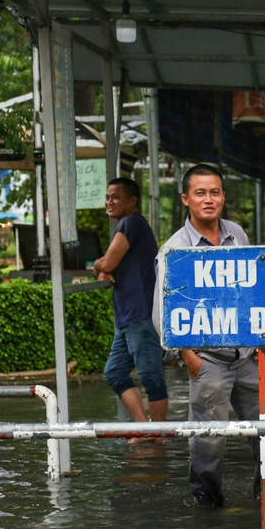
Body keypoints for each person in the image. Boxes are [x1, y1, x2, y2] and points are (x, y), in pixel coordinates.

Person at [154, 163, 265, 509]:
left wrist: (259, 340)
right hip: (207, 360)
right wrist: (189, 359)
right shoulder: (174, 250)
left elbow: (252, 290)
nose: (208, 200)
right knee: (209, 442)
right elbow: (161, 316)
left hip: (248, 355)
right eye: (200, 193)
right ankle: (207, 506)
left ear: (223, 197)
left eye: (214, 192)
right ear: (185, 199)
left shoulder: (236, 234)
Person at [95, 177, 169, 423]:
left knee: (151, 377)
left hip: (141, 314)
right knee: (114, 373)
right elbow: (114, 264)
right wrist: (106, 269)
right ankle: (143, 427)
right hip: (127, 317)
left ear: (132, 200)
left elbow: (107, 262)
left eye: (115, 197)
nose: (109, 202)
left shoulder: (130, 223)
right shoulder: (130, 226)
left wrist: (100, 266)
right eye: (107, 197)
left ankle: (158, 436)